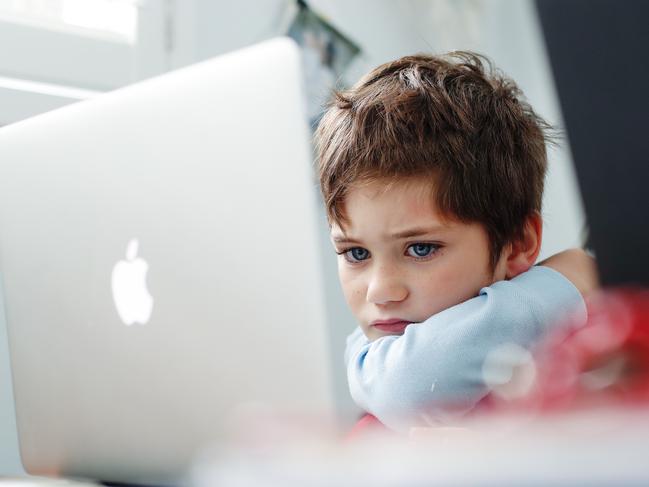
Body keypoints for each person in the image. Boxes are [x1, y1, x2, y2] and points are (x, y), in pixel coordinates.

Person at [314, 51, 598, 433]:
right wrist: (564, 281)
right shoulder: (375, 357)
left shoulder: (582, 355)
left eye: (421, 249)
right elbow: (407, 385)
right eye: (356, 253)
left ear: (517, 243)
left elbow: (412, 386)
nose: (380, 292)